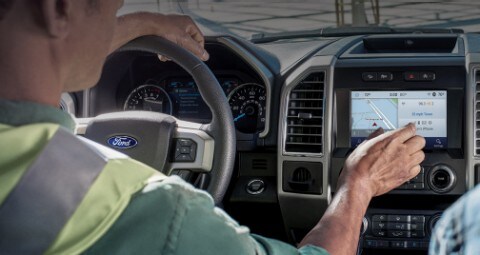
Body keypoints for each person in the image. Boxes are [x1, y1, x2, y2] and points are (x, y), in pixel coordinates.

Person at [0, 0, 425, 254]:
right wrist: (359, 185)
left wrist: (143, 24)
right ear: (59, 9)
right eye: (114, 6)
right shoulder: (152, 211)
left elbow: (49, 41)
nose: (118, 12)